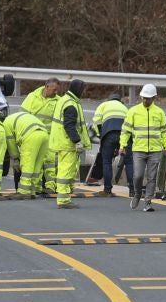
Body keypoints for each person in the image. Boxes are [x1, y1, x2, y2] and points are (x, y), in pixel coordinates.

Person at [122, 84, 166, 212]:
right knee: (138, 175)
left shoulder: (159, 112)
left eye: (148, 98)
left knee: (152, 177)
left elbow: (164, 132)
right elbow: (125, 130)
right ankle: (137, 194)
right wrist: (122, 145)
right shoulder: (133, 111)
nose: (145, 100)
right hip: (138, 149)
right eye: (143, 97)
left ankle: (148, 202)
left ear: (154, 98)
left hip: (155, 150)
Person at [48, 77, 91, 209]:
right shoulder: (71, 104)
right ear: (78, 90)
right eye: (82, 89)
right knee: (66, 171)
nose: (83, 92)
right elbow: (69, 126)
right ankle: (64, 199)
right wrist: (77, 141)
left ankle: (64, 196)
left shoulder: (64, 100)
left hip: (62, 142)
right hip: (68, 144)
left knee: (63, 169)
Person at [21, 77, 62, 195]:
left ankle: (50, 186)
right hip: (33, 135)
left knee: (50, 163)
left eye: (57, 90)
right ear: (46, 87)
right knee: (35, 161)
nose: (56, 93)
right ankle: (36, 186)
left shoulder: (58, 101)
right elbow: (23, 115)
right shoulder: (32, 97)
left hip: (50, 137)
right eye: (54, 90)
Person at [91, 93, 130, 197]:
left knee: (107, 162)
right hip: (123, 135)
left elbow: (96, 121)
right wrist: (121, 145)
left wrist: (100, 135)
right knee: (129, 162)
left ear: (109, 99)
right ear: (120, 100)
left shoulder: (104, 105)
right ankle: (133, 190)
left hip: (109, 134)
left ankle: (107, 190)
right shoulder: (124, 108)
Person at [5, 107, 48, 197]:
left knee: (27, 164)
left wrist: (15, 158)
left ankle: (24, 191)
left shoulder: (5, 124)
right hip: (44, 134)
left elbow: (11, 143)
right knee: (37, 165)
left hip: (31, 135)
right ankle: (32, 190)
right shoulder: (18, 117)